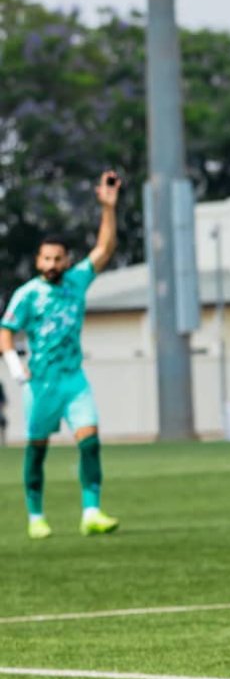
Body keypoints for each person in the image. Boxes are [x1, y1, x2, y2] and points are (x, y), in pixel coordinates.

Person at [0, 171, 123, 540]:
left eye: (58, 258)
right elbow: (5, 332)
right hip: (41, 383)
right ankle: (36, 516)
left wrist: (108, 208)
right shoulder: (27, 294)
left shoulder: (77, 282)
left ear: (67, 261)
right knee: (37, 449)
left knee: (90, 440)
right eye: (46, 258)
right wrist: (15, 367)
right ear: (38, 261)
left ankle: (91, 512)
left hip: (73, 380)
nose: (52, 264)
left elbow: (105, 249)